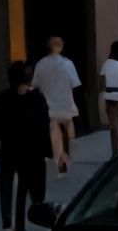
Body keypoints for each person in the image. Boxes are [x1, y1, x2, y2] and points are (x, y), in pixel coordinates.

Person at [0, 61, 50, 231]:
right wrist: (47, 150)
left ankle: (14, 225)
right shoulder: (37, 99)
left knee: (13, 189)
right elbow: (44, 126)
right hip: (32, 153)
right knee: (32, 190)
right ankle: (37, 222)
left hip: (10, 151)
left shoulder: (3, 99)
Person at [30, 36, 80, 174]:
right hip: (67, 106)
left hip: (50, 108)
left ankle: (60, 159)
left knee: (55, 133)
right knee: (70, 129)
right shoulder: (67, 64)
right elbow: (75, 84)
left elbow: (34, 86)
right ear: (61, 47)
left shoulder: (41, 64)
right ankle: (70, 154)